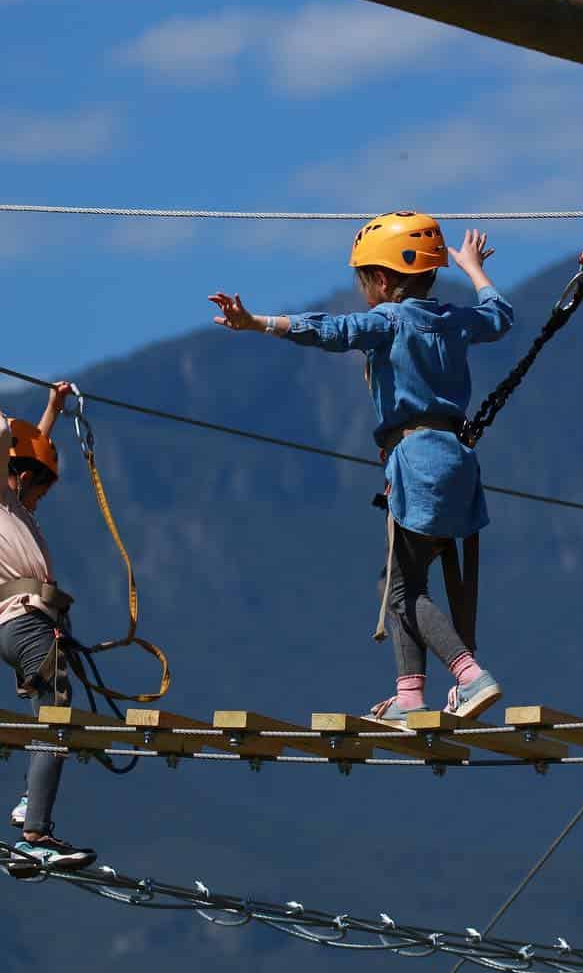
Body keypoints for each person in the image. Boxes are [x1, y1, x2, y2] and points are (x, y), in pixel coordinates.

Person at [208, 210, 514, 720]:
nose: (361, 288)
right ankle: (411, 694)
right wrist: (474, 268)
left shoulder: (389, 321)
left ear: (384, 279)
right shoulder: (454, 320)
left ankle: (469, 675)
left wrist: (258, 323)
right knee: (398, 581)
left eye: (364, 277)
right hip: (457, 463)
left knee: (399, 586)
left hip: (416, 461)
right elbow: (499, 315)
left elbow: (331, 331)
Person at [0, 354, 95, 871]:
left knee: (51, 714)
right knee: (57, 711)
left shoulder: (7, 507)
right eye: (38, 486)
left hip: (27, 623)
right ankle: (33, 835)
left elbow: (24, 445)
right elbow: (2, 433)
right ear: (17, 473)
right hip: (25, 622)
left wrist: (51, 410)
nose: (39, 498)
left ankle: (29, 806)